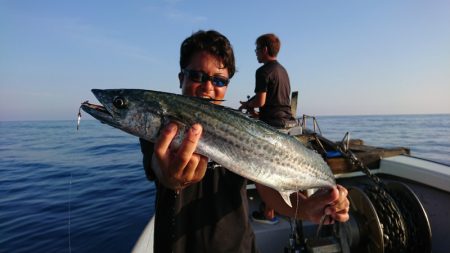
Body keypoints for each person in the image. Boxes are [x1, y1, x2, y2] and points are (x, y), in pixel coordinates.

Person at [140, 30, 350, 253]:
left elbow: (266, 187)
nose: (207, 87)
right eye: (197, 76)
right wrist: (172, 179)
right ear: (181, 78)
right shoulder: (163, 128)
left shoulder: (242, 129)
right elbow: (160, 168)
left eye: (219, 80)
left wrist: (309, 208)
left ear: (227, 85)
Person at [238, 33, 295, 224]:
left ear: (264, 50)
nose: (255, 54)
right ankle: (282, 207)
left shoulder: (262, 71)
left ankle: (269, 214)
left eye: (256, 50)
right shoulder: (283, 70)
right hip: (287, 123)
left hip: (273, 126)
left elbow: (261, 101)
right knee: (281, 169)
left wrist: (247, 105)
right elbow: (276, 101)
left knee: (267, 170)